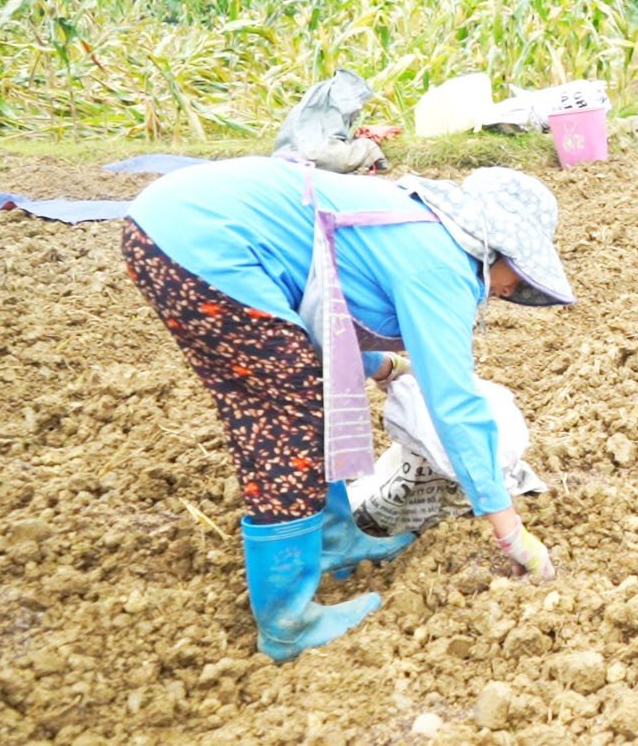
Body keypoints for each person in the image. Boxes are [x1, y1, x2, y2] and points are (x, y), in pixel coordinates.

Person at [123, 156, 573, 662]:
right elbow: (456, 405)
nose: (514, 287)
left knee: (303, 385)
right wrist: (511, 533)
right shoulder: (439, 263)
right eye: (519, 270)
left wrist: (380, 366)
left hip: (174, 225)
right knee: (284, 421)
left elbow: (321, 316)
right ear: (498, 245)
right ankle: (287, 620)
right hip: (201, 243)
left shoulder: (422, 231)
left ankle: (335, 541)